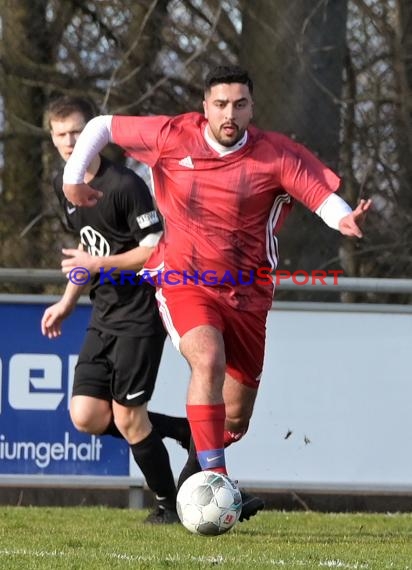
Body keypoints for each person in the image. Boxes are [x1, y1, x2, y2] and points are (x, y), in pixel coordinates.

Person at [61, 66, 372, 521]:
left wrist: (342, 218)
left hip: (248, 293)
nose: (230, 113)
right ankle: (217, 482)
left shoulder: (275, 154)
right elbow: (101, 125)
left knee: (235, 419)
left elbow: (319, 196)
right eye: (221, 104)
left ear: (252, 107)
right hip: (183, 279)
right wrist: (73, 176)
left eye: (240, 104)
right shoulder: (171, 135)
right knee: (207, 358)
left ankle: (199, 475)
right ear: (204, 107)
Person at [41, 95, 191, 524]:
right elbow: (89, 248)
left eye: (78, 132)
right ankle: (182, 431)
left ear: (95, 134)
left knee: (128, 417)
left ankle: (168, 505)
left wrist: (97, 265)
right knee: (86, 415)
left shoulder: (125, 186)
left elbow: (153, 251)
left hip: (141, 314)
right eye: (61, 134)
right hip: (102, 313)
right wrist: (68, 301)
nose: (70, 141)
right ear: (52, 138)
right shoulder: (64, 186)